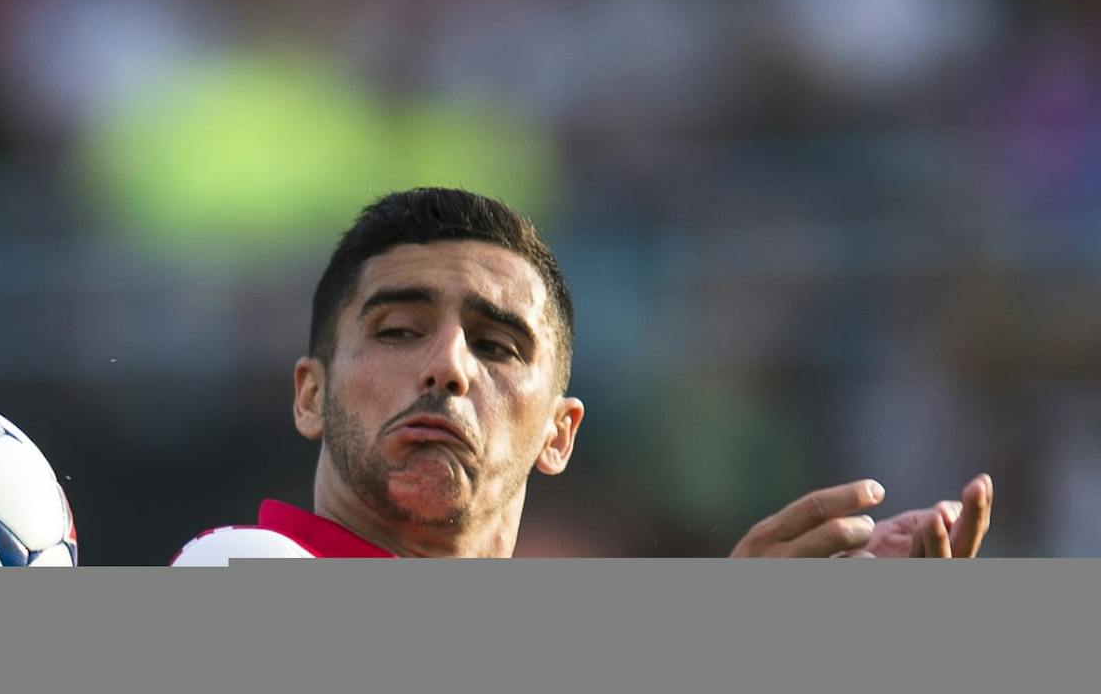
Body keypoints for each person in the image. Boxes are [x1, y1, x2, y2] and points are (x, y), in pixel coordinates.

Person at [170, 188, 993, 563]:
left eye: (496, 347)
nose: (448, 368)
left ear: (559, 434)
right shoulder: (239, 566)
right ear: (310, 395)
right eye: (398, 330)